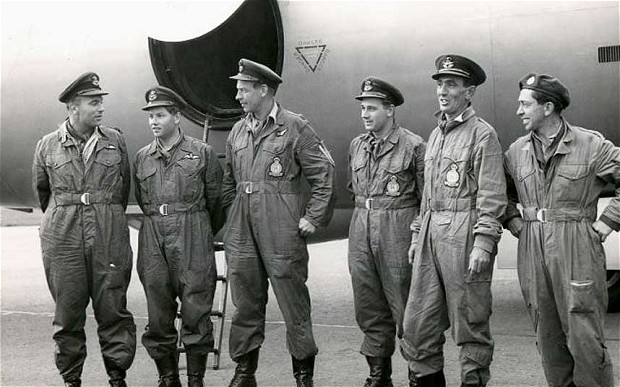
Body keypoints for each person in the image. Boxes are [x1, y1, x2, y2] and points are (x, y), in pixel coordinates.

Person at [222, 58, 335, 387]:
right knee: (244, 302)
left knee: (293, 302)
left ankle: (303, 375)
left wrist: (313, 217)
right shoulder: (238, 130)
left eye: (244, 90)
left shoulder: (295, 126)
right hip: (243, 230)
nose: (239, 96)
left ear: (264, 90)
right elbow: (230, 181)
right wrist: (233, 217)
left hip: (281, 228)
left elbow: (323, 175)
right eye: (238, 90)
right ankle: (244, 373)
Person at [502, 73, 617, 387]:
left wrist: (608, 221)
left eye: (525, 104)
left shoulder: (590, 145)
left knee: (584, 338)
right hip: (533, 248)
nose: (519, 111)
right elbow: (501, 192)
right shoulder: (516, 151)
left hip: (576, 245)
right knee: (548, 337)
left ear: (548, 107)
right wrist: (513, 221)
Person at [400, 55, 507, 387]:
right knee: (417, 325)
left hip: (464, 235)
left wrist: (484, 244)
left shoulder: (482, 135)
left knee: (470, 324)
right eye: (439, 84)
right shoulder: (435, 135)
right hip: (432, 234)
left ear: (469, 91)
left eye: (451, 84)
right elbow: (427, 197)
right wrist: (418, 237)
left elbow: (492, 194)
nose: (442, 91)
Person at [32, 72, 136, 387]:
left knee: (113, 308)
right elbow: (43, 193)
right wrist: (66, 216)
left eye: (101, 101)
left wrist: (106, 216)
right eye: (94, 102)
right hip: (63, 234)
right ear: (73, 107)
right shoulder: (47, 146)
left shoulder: (115, 141)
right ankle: (71, 378)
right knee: (68, 312)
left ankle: (117, 376)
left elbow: (123, 186)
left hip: (107, 231)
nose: (101, 107)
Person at [134, 86, 225, 387]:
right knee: (158, 311)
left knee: (196, 309)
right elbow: (141, 198)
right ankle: (168, 378)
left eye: (160, 115)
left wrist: (196, 228)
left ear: (177, 116)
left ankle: (195, 380)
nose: (154, 122)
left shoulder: (202, 153)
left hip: (192, 231)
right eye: (150, 116)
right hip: (154, 235)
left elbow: (216, 202)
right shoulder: (142, 158)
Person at [347, 76, 425, 387]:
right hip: (362, 226)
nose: (365, 114)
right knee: (368, 303)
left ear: (390, 110)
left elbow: (427, 199)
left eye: (372, 108)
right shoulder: (357, 146)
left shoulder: (414, 145)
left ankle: (417, 373)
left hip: (398, 227)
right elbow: (356, 189)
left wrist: (417, 234)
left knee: (405, 304)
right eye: (363, 108)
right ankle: (379, 374)